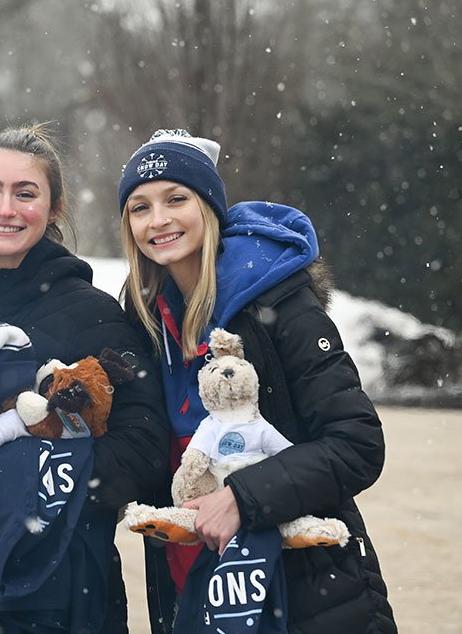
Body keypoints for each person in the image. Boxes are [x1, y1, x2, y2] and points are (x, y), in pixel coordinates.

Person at [116, 129, 397, 633]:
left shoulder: (279, 304)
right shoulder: (143, 323)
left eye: (175, 199)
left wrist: (243, 498)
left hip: (306, 592)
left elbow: (357, 443)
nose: (157, 220)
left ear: (209, 206)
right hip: (192, 591)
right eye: (140, 207)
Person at [0, 124, 171, 634]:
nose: (4, 209)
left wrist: (29, 485)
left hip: (59, 588)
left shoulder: (93, 314)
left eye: (25, 193)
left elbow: (145, 448)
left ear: (53, 209)